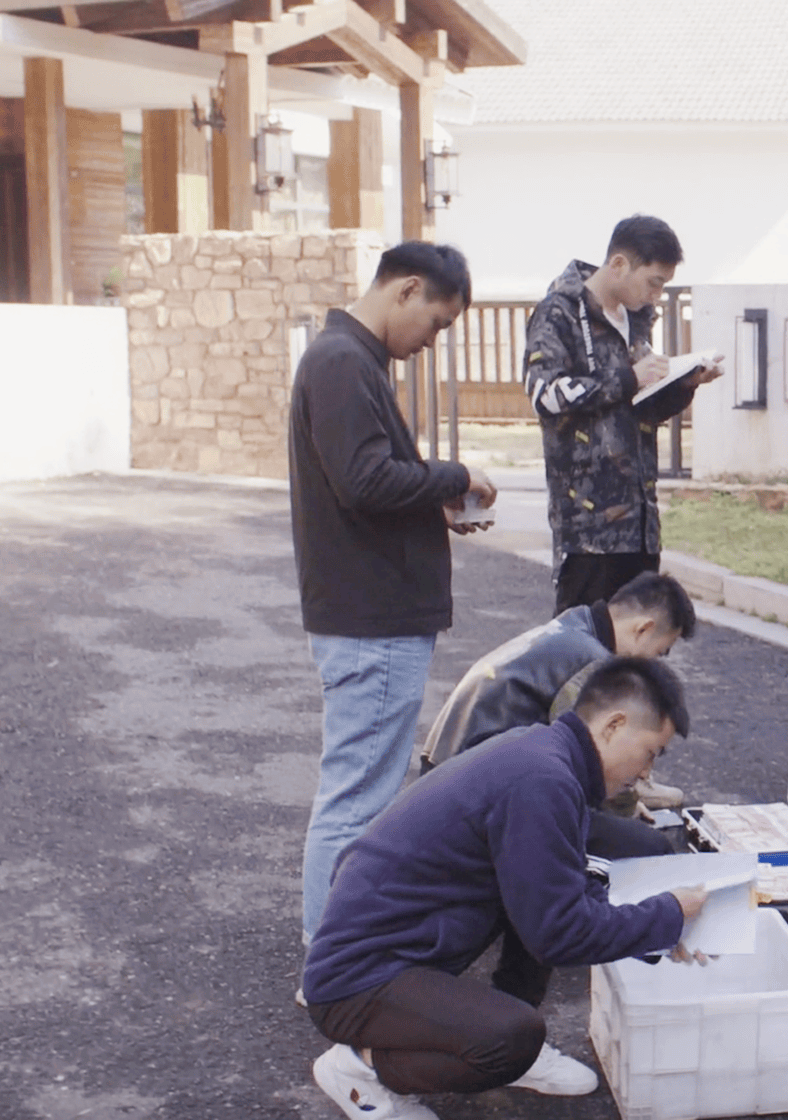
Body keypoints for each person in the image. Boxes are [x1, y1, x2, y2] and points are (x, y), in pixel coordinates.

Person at [302, 658, 708, 1120]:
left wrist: (662, 931)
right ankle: (359, 1070)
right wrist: (668, 914)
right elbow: (561, 933)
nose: (645, 773)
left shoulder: (547, 754)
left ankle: (480, 1031)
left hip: (395, 951)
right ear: (615, 725)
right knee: (510, 1040)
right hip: (355, 980)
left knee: (550, 890)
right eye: (651, 752)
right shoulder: (543, 780)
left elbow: (563, 890)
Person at [289, 241, 498, 948]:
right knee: (356, 801)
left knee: (360, 793)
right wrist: (451, 477)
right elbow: (365, 481)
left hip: (368, 612)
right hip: (371, 619)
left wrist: (428, 503)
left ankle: (338, 952)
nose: (431, 341)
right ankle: (334, 963)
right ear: (407, 290)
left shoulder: (349, 358)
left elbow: (363, 485)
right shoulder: (343, 361)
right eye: (437, 323)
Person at [524, 214, 723, 618]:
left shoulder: (634, 321)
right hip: (587, 528)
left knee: (638, 654)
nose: (656, 296)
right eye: (654, 283)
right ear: (618, 264)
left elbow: (637, 408)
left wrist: (685, 384)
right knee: (583, 652)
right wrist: (627, 377)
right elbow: (545, 395)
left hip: (639, 522)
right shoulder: (558, 313)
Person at [419, 571, 696, 824]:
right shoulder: (592, 662)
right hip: (468, 789)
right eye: (660, 652)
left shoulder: (576, 623)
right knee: (636, 842)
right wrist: (625, 807)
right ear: (643, 629)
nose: (655, 664)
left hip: (444, 764)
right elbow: (591, 757)